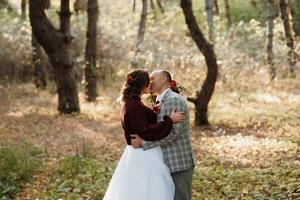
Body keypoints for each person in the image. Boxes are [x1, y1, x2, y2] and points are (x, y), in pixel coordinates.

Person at [103, 69, 184, 200]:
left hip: (138, 153)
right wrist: (169, 120)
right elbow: (146, 131)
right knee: (146, 190)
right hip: (142, 155)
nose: (151, 84)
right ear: (143, 85)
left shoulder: (133, 103)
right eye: (149, 81)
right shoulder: (134, 106)